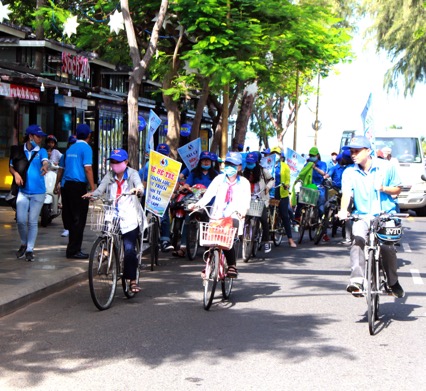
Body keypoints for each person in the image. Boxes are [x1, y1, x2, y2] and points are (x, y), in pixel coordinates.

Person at [337, 136, 404, 298]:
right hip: (362, 216)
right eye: (351, 152)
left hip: (385, 215)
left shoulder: (387, 167)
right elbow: (346, 194)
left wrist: (383, 188)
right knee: (357, 239)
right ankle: (357, 280)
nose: (353, 155)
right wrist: (343, 210)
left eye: (357, 151)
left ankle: (392, 282)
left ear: (368, 151)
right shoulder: (349, 172)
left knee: (388, 247)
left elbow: (398, 189)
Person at [83, 149, 145, 293]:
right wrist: (92, 194)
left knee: (129, 249)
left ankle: (132, 280)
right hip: (112, 214)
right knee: (105, 234)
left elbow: (139, 186)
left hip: (129, 216)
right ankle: (106, 251)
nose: (115, 165)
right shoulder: (110, 175)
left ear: (126, 162)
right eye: (113, 162)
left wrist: (137, 190)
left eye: (118, 162)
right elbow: (100, 189)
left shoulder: (132, 174)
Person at [190, 152, 251, 278]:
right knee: (210, 239)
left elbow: (246, 200)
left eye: (233, 165)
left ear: (239, 167)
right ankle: (209, 262)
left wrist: (243, 211)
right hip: (217, 215)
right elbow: (208, 195)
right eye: (228, 164)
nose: (230, 167)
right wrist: (197, 205)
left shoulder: (244, 182)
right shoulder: (218, 179)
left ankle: (232, 265)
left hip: (234, 215)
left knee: (227, 240)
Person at [9, 125, 49, 261]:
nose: (40, 139)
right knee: (20, 220)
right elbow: (11, 166)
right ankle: (23, 243)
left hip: (38, 192)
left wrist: (45, 166)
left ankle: (30, 249)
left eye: (41, 136)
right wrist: (15, 174)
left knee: (32, 221)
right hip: (23, 191)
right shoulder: (18, 151)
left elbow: (45, 162)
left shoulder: (42, 151)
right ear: (30, 136)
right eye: (38, 136)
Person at [56, 123, 96, 259]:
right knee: (79, 220)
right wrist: (93, 187)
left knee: (71, 218)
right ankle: (74, 250)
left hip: (66, 186)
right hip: (78, 187)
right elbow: (88, 168)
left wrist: (57, 184)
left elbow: (61, 169)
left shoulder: (70, 149)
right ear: (89, 136)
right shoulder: (86, 148)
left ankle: (71, 248)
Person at [172, 151, 219, 257]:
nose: (206, 162)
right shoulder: (194, 172)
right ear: (200, 161)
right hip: (194, 201)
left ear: (211, 162)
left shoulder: (216, 174)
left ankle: (209, 249)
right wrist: (187, 187)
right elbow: (187, 184)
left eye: (208, 160)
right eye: (204, 160)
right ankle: (183, 247)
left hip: (209, 203)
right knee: (187, 220)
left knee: (208, 223)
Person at [243, 152, 274, 253]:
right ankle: (243, 237)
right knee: (244, 218)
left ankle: (266, 242)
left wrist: (268, 188)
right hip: (248, 198)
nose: (249, 164)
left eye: (251, 162)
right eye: (248, 162)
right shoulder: (244, 172)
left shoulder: (262, 171)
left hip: (261, 198)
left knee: (264, 220)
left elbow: (271, 180)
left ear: (256, 162)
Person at [271, 148, 297, 248]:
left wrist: (286, 185)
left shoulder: (285, 166)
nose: (275, 155)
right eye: (273, 153)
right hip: (270, 194)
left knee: (284, 215)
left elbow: (287, 179)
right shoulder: (268, 165)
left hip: (282, 194)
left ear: (281, 156)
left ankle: (290, 239)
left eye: (277, 153)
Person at [56, 135, 77, 237]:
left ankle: (73, 227)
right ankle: (67, 228)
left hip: (77, 185)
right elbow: (60, 170)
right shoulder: (64, 156)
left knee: (74, 208)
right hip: (66, 184)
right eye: (71, 143)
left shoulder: (80, 155)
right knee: (66, 207)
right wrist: (57, 183)